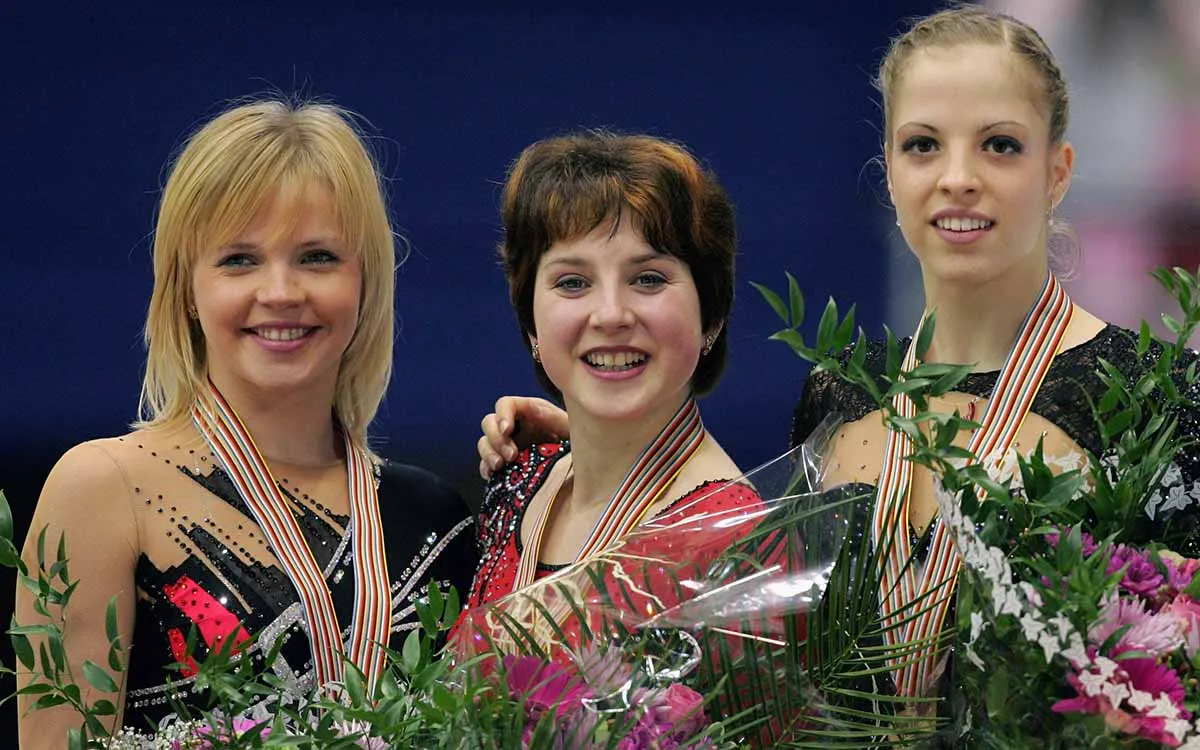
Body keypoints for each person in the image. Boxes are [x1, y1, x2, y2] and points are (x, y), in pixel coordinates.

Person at [473, 1, 1200, 720]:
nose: (957, 177)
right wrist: (595, 443)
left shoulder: (1154, 399)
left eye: (999, 145)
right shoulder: (842, 394)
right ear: (888, 171)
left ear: (1059, 171)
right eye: (923, 145)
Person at [15, 97, 476, 746]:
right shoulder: (101, 492)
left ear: (365, 282)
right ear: (186, 288)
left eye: (317, 257)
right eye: (239, 259)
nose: (281, 291)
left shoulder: (433, 519)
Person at [460, 130, 768, 632]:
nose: (610, 314)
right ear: (531, 322)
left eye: (648, 278)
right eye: (572, 282)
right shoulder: (522, 481)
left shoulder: (732, 543)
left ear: (711, 314)